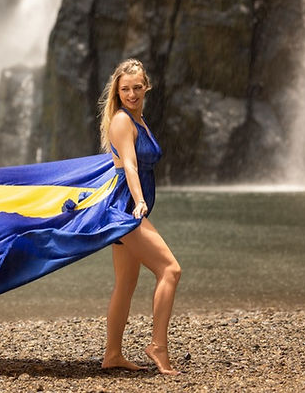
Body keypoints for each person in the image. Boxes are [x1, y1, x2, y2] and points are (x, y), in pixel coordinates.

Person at [98, 58, 182, 375]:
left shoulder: (139, 119)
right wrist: (139, 201)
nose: (131, 94)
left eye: (136, 88)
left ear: (146, 87)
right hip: (125, 210)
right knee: (171, 271)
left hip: (127, 207)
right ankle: (158, 347)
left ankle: (112, 354)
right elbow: (130, 165)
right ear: (117, 93)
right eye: (125, 90)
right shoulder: (122, 121)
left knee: (126, 283)